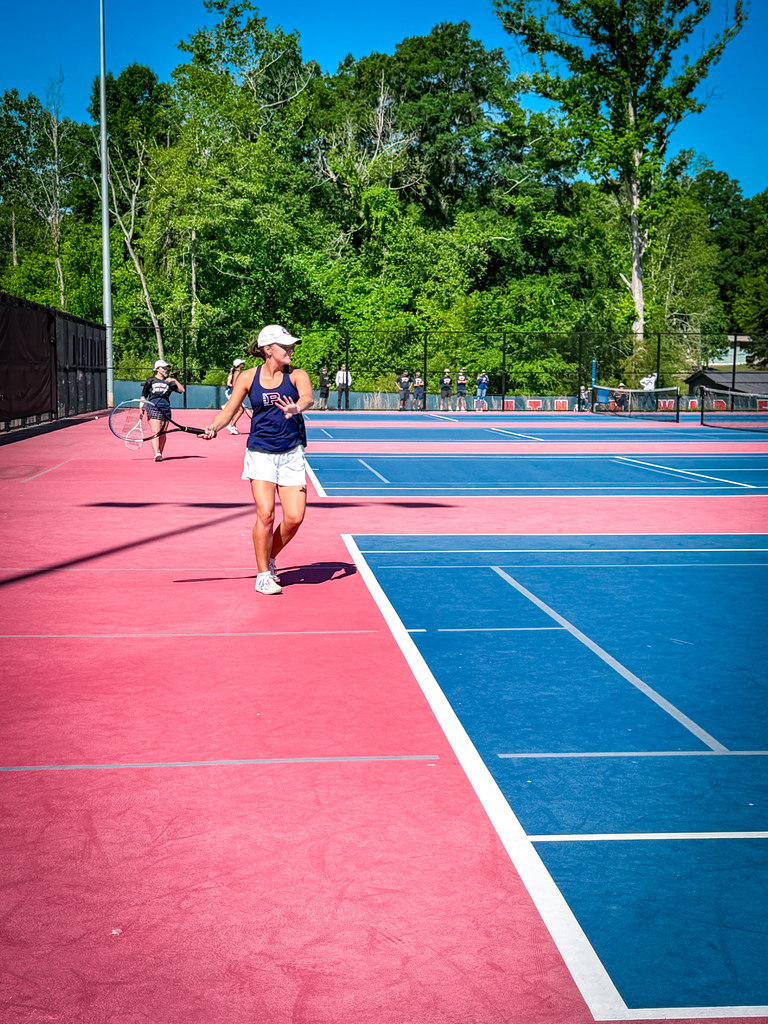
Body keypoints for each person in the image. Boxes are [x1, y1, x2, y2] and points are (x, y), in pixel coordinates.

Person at [202, 324, 313, 596]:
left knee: (294, 518)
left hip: (291, 453)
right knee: (265, 514)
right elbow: (230, 410)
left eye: (290, 345)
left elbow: (308, 398)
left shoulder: (298, 375)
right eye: (284, 346)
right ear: (267, 350)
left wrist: (296, 407)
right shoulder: (248, 378)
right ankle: (263, 574)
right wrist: (213, 428)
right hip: (260, 452)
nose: (290, 350)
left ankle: (269, 556)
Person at [141, 359, 185, 462]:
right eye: (163, 368)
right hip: (153, 408)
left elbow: (182, 390)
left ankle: (160, 451)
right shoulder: (150, 381)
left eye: (166, 368)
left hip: (165, 408)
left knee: (163, 432)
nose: (165, 370)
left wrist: (174, 380)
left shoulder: (169, 382)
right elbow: (143, 396)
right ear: (157, 369)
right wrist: (141, 407)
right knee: (156, 431)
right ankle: (157, 452)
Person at [223, 358, 247, 434]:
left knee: (237, 410)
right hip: (232, 393)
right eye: (241, 364)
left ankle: (233, 427)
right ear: (239, 365)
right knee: (240, 410)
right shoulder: (236, 372)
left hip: (232, 392)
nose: (243, 365)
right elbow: (233, 384)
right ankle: (231, 425)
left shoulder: (236, 372)